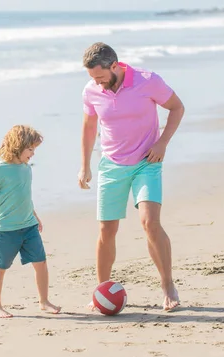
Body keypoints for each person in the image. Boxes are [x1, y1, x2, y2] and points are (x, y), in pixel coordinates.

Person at [78, 42, 185, 311]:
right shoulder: (92, 91)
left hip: (147, 162)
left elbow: (177, 107)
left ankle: (167, 284)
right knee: (107, 230)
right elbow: (89, 127)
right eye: (93, 78)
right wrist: (85, 165)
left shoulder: (147, 81)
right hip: (111, 165)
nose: (98, 83)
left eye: (101, 77)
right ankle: (102, 291)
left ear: (115, 66)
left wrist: (162, 143)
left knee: (150, 222)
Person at [0, 125, 61, 318]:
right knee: (0, 267)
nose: (33, 154)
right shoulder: (0, 170)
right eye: (30, 149)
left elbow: (25, 196)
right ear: (18, 146)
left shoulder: (26, 169)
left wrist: (35, 216)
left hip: (28, 226)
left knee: (41, 262)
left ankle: (44, 301)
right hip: (6, 229)